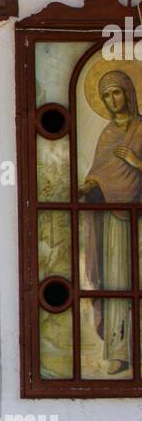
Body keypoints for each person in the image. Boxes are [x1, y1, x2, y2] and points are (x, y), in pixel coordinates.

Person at [80, 69, 142, 374]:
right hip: (116, 222)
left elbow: (130, 169)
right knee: (118, 282)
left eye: (116, 92)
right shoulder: (107, 135)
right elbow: (99, 173)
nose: (111, 100)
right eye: (105, 95)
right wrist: (89, 186)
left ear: (129, 93)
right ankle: (120, 352)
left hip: (139, 218)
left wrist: (136, 162)